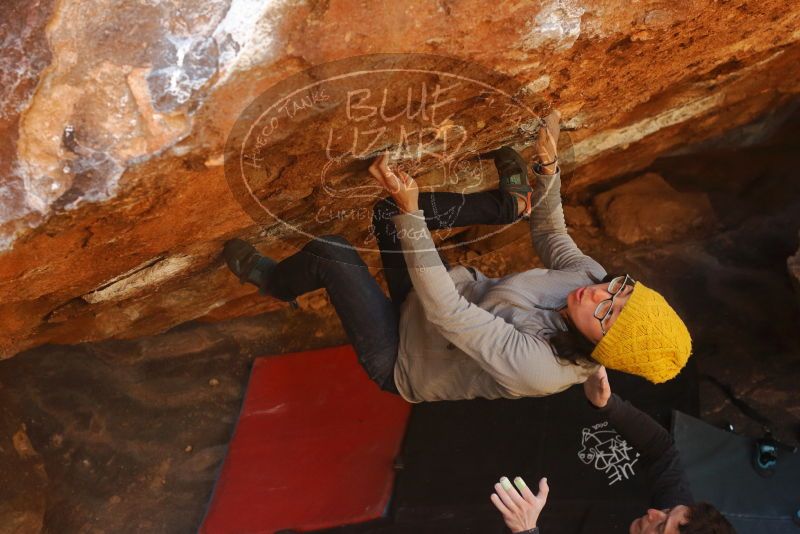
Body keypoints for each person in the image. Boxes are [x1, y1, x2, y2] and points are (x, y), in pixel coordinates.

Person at [222, 110, 692, 402]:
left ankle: (275, 284)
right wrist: (548, 167)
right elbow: (551, 231)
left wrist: (413, 212)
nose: (597, 292)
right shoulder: (589, 281)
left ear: (599, 348)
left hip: (404, 355)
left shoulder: (542, 370)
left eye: (606, 312)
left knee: (334, 252)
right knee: (391, 210)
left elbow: (449, 314)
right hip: (440, 295)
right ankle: (507, 203)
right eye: (620, 288)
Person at [490, 366, 736, 534]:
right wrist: (608, 406)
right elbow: (662, 450)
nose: (653, 513)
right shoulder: (680, 520)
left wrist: (527, 529)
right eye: (668, 510)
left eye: (660, 528)